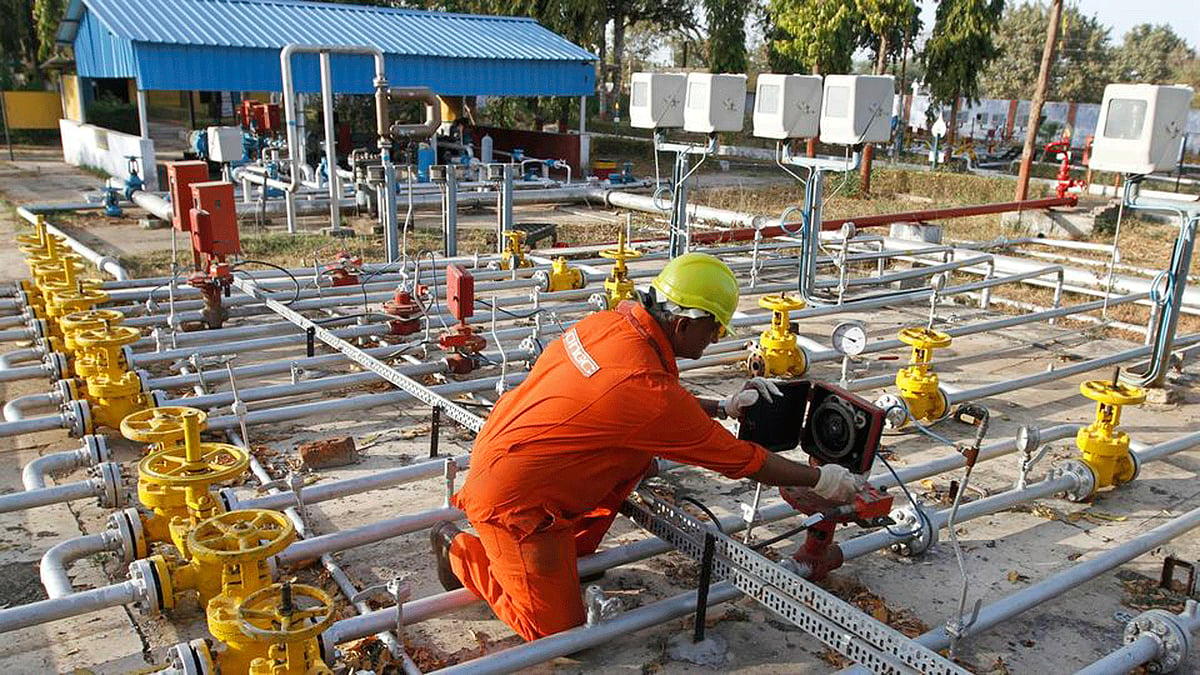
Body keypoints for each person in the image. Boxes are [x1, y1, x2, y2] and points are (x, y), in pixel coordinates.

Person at [431, 252, 864, 641]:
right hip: (514, 500)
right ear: (683, 323)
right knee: (553, 629)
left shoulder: (608, 326)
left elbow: (634, 404)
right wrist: (821, 478)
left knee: (635, 457)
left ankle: (569, 551)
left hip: (513, 454)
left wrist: (720, 406)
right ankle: (458, 552)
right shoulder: (645, 388)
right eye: (713, 329)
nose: (714, 340)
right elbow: (740, 460)